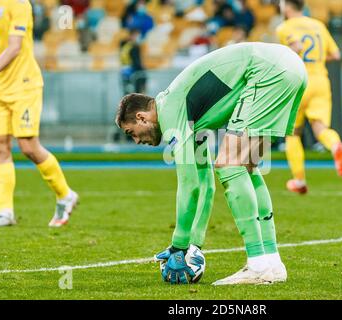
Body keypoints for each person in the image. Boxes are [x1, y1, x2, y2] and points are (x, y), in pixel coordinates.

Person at [115, 42, 307, 285]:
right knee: (246, 167)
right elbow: (205, 185)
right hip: (290, 66)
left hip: (267, 71)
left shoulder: (172, 112)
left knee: (230, 165)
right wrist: (193, 242)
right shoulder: (186, 113)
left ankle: (257, 264)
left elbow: (189, 185)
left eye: (132, 132)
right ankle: (272, 262)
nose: (137, 141)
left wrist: (178, 244)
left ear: (141, 117)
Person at [0, 0, 78, 228]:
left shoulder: (18, 4)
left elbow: (14, 47)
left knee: (28, 146)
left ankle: (65, 194)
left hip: (24, 85)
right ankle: (6, 212)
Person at [276, 0, 342, 195]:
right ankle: (335, 145)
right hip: (320, 81)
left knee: (292, 133)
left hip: (298, 81)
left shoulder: (284, 27)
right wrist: (316, 59)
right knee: (321, 128)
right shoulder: (318, 25)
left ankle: (299, 180)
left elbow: (296, 48)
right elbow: (335, 54)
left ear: (288, 7)